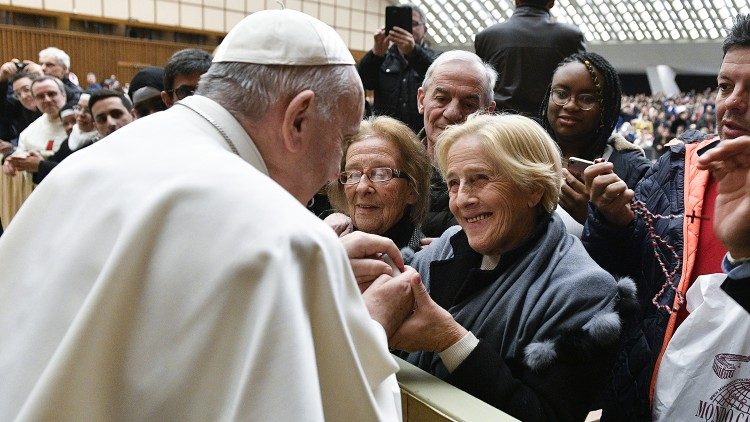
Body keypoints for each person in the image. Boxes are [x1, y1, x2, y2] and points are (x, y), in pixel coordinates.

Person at [0, 10, 416, 420]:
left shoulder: (91, 163)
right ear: (299, 119)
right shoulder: (282, 234)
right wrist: (370, 327)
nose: (333, 173)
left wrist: (312, 280)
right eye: (341, 141)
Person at [387, 113, 633, 420]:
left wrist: (450, 341)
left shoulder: (584, 290)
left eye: (480, 179)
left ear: (534, 188)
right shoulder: (448, 244)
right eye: (453, 183)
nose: (462, 199)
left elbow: (542, 415)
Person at [581, 15, 750, 420]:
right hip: (650, 395)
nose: (733, 102)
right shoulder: (676, 169)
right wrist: (612, 224)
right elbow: (623, 282)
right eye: (725, 86)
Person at [539, 52, 651, 234]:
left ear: (605, 109)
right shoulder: (524, 154)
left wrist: (594, 218)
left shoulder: (633, 171)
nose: (570, 105)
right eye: (561, 94)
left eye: (586, 98)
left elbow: (644, 251)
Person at [417, 50, 497, 237]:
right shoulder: (392, 163)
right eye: (441, 99)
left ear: (487, 112)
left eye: (468, 104)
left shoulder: (501, 177)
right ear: (422, 100)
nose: (452, 113)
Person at [325, 115, 431, 251]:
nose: (362, 187)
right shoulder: (327, 251)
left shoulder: (428, 266)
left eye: (381, 174)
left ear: (412, 189)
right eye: (353, 174)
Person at [474, 0, 585, 116]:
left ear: (516, 1)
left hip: (501, 122)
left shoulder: (487, 37)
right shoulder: (570, 37)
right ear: (551, 2)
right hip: (547, 124)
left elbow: (479, 85)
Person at [358, 4, 439, 134]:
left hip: (422, 134)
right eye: (401, 24)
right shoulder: (382, 57)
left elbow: (438, 78)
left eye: (413, 23)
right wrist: (376, 54)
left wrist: (413, 52)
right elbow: (362, 83)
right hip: (386, 134)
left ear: (425, 30)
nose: (407, 29)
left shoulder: (437, 58)